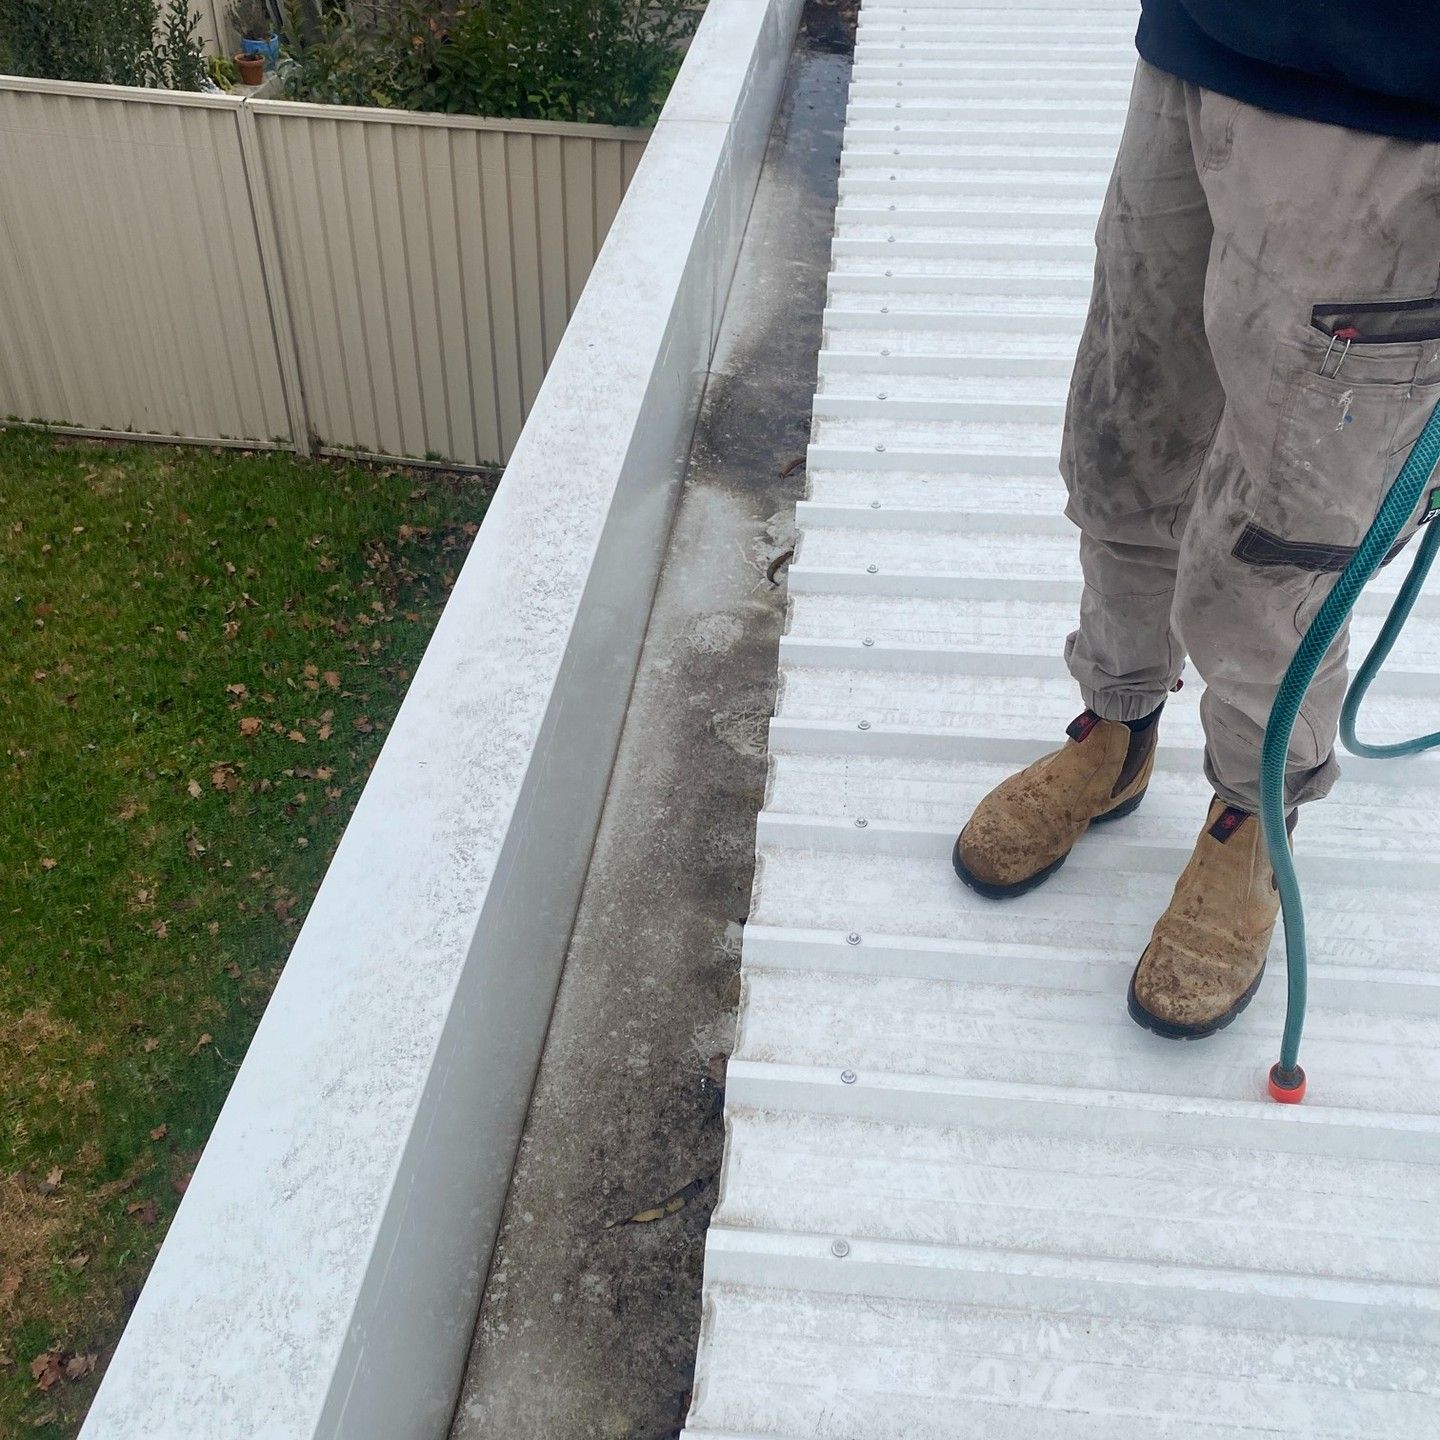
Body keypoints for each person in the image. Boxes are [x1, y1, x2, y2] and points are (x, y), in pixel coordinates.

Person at [952, 1, 1440, 1039]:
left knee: (1281, 539)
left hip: (1396, 111)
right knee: (1124, 441)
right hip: (1198, 45)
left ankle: (1252, 817)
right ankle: (1116, 727)